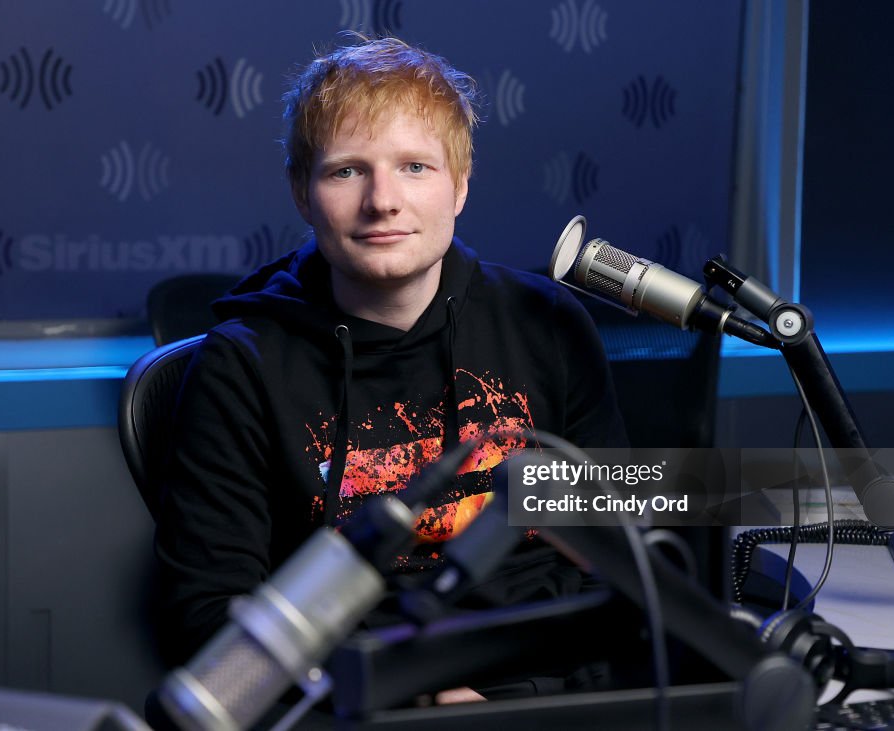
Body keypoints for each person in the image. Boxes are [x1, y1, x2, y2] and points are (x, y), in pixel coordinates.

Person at [153, 36, 628, 674]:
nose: (383, 201)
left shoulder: (548, 324)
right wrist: (408, 697)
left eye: (415, 167)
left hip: (541, 689)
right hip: (354, 702)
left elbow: (619, 559)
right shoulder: (243, 363)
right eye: (347, 169)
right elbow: (209, 612)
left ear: (459, 185)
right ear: (302, 191)